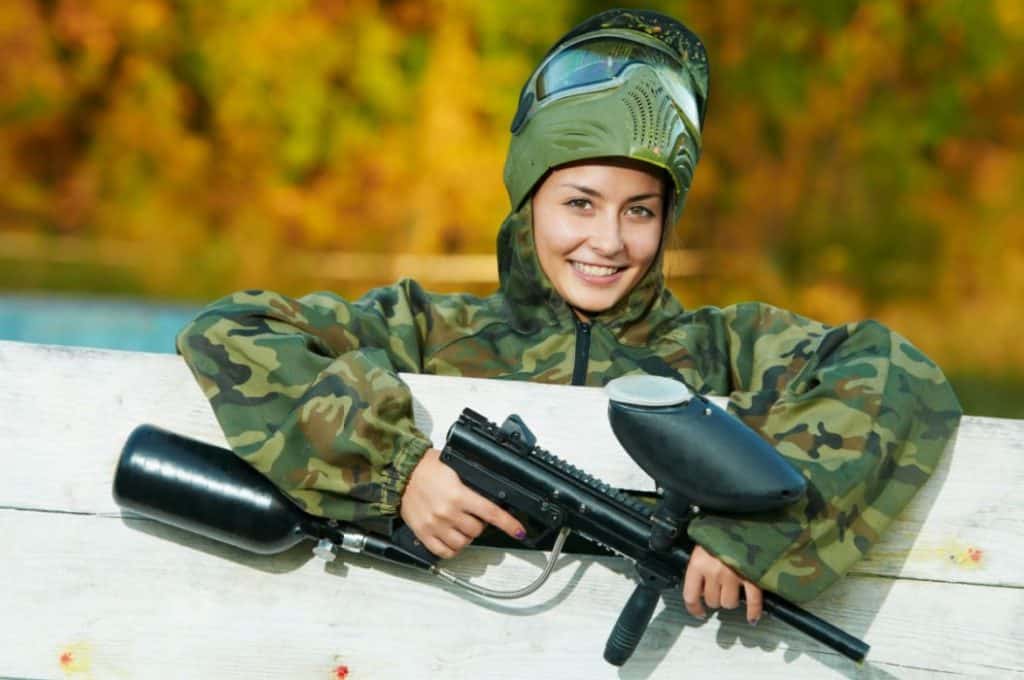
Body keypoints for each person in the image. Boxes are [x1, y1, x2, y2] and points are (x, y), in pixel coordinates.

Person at [176, 9, 961, 628]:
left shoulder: (727, 349)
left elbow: (899, 372)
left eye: (641, 211)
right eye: (578, 203)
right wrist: (400, 470)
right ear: (529, 204)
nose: (609, 241)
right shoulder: (426, 328)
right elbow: (232, 329)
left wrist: (754, 540)